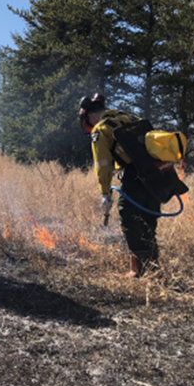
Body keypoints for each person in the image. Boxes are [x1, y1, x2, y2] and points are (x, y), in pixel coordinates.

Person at [80, 92, 160, 278]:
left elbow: (103, 165)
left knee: (130, 219)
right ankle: (154, 268)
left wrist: (105, 194)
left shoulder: (101, 129)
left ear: (90, 115)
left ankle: (137, 271)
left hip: (133, 176)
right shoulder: (129, 117)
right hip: (156, 175)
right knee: (148, 221)